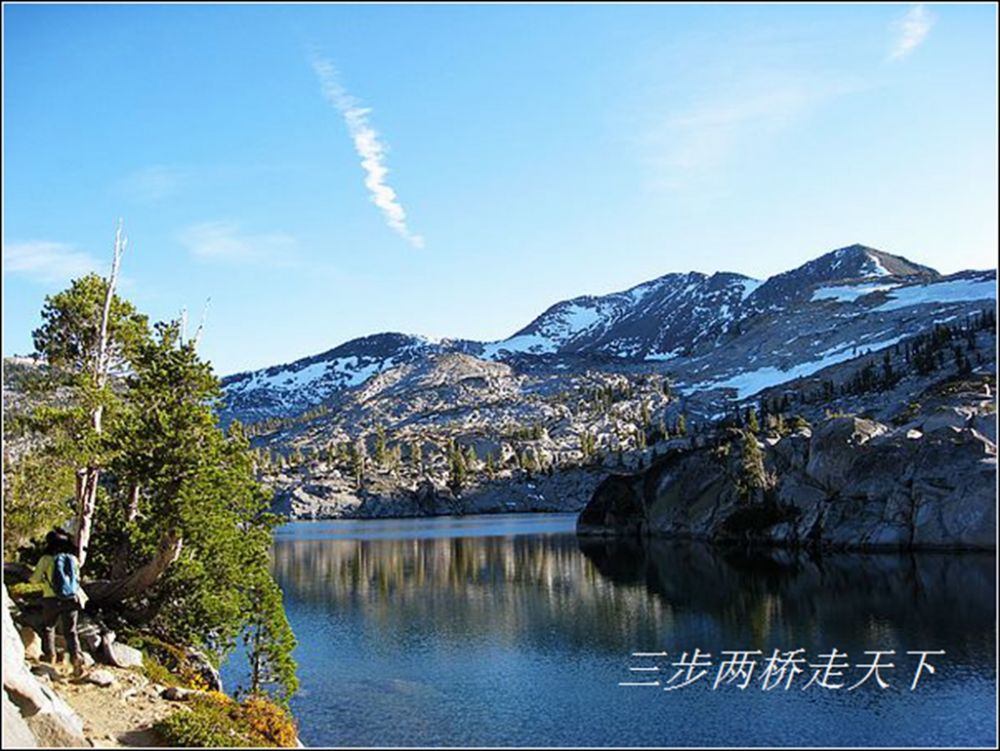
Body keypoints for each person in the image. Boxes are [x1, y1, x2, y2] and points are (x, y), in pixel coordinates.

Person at [29, 529, 89, 677]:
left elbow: (34, 579)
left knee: (48, 627)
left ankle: (50, 656)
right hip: (71, 599)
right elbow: (77, 579)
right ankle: (77, 660)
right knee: (71, 631)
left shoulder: (46, 559)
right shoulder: (73, 559)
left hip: (51, 599)